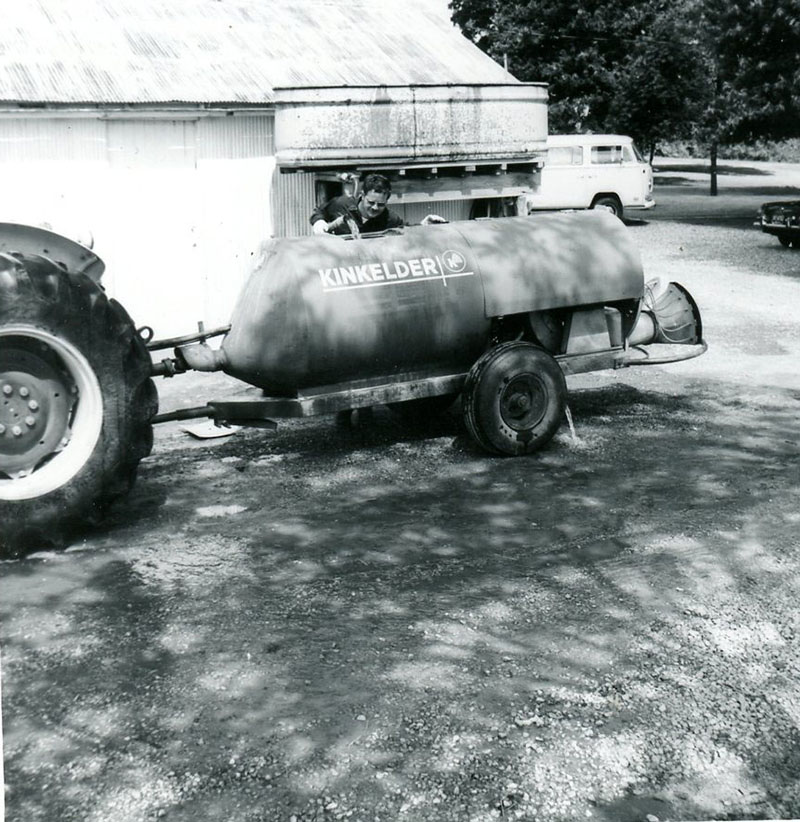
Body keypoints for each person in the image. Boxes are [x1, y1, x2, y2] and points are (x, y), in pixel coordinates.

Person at [310, 173, 443, 236]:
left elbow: (405, 231)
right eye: (371, 202)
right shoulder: (341, 204)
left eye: (380, 204)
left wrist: (424, 225)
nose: (375, 208)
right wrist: (318, 222)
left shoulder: (390, 219)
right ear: (362, 195)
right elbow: (319, 212)